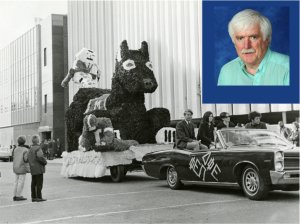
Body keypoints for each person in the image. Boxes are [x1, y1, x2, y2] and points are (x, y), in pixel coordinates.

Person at [217, 9, 289, 86]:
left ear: (267, 39)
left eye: (253, 37)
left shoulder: (289, 68)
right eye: (240, 38)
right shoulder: (227, 71)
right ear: (234, 42)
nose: (246, 46)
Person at [27, 135, 47, 202]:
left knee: (33, 183)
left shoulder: (30, 149)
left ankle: (33, 197)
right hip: (39, 168)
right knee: (39, 183)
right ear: (38, 141)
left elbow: (28, 158)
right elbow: (40, 157)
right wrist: (45, 162)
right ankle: (39, 197)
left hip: (33, 168)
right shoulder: (38, 148)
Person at [12, 135, 30, 201]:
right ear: (24, 142)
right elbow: (26, 159)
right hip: (22, 167)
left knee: (16, 182)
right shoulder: (25, 150)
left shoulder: (15, 149)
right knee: (21, 182)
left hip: (15, 167)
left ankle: (14, 195)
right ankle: (18, 195)